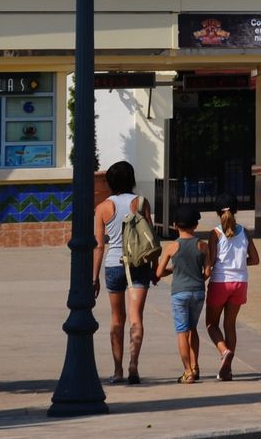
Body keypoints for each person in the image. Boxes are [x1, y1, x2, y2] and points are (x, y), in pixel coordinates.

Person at [91, 160, 152, 385]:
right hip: (139, 263)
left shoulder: (103, 208)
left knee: (117, 319)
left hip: (114, 265)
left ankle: (118, 371)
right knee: (136, 316)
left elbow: (99, 246)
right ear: (132, 179)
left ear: (110, 182)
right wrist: (154, 267)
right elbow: (150, 238)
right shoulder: (142, 202)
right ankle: (133, 364)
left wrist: (94, 277)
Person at [204, 193, 259, 381]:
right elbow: (255, 259)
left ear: (217, 212)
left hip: (220, 282)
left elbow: (211, 262)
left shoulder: (215, 233)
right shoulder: (244, 232)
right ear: (236, 210)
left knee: (211, 324)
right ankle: (227, 370)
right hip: (240, 283)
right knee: (230, 325)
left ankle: (224, 351)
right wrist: (240, 264)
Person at [155, 204, 210, 383]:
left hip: (179, 293)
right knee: (193, 329)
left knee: (181, 331)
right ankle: (195, 366)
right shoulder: (202, 245)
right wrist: (197, 277)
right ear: (196, 225)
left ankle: (187, 372)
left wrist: (174, 270)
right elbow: (207, 272)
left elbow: (159, 272)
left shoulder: (172, 247)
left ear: (175, 225)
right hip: (198, 292)